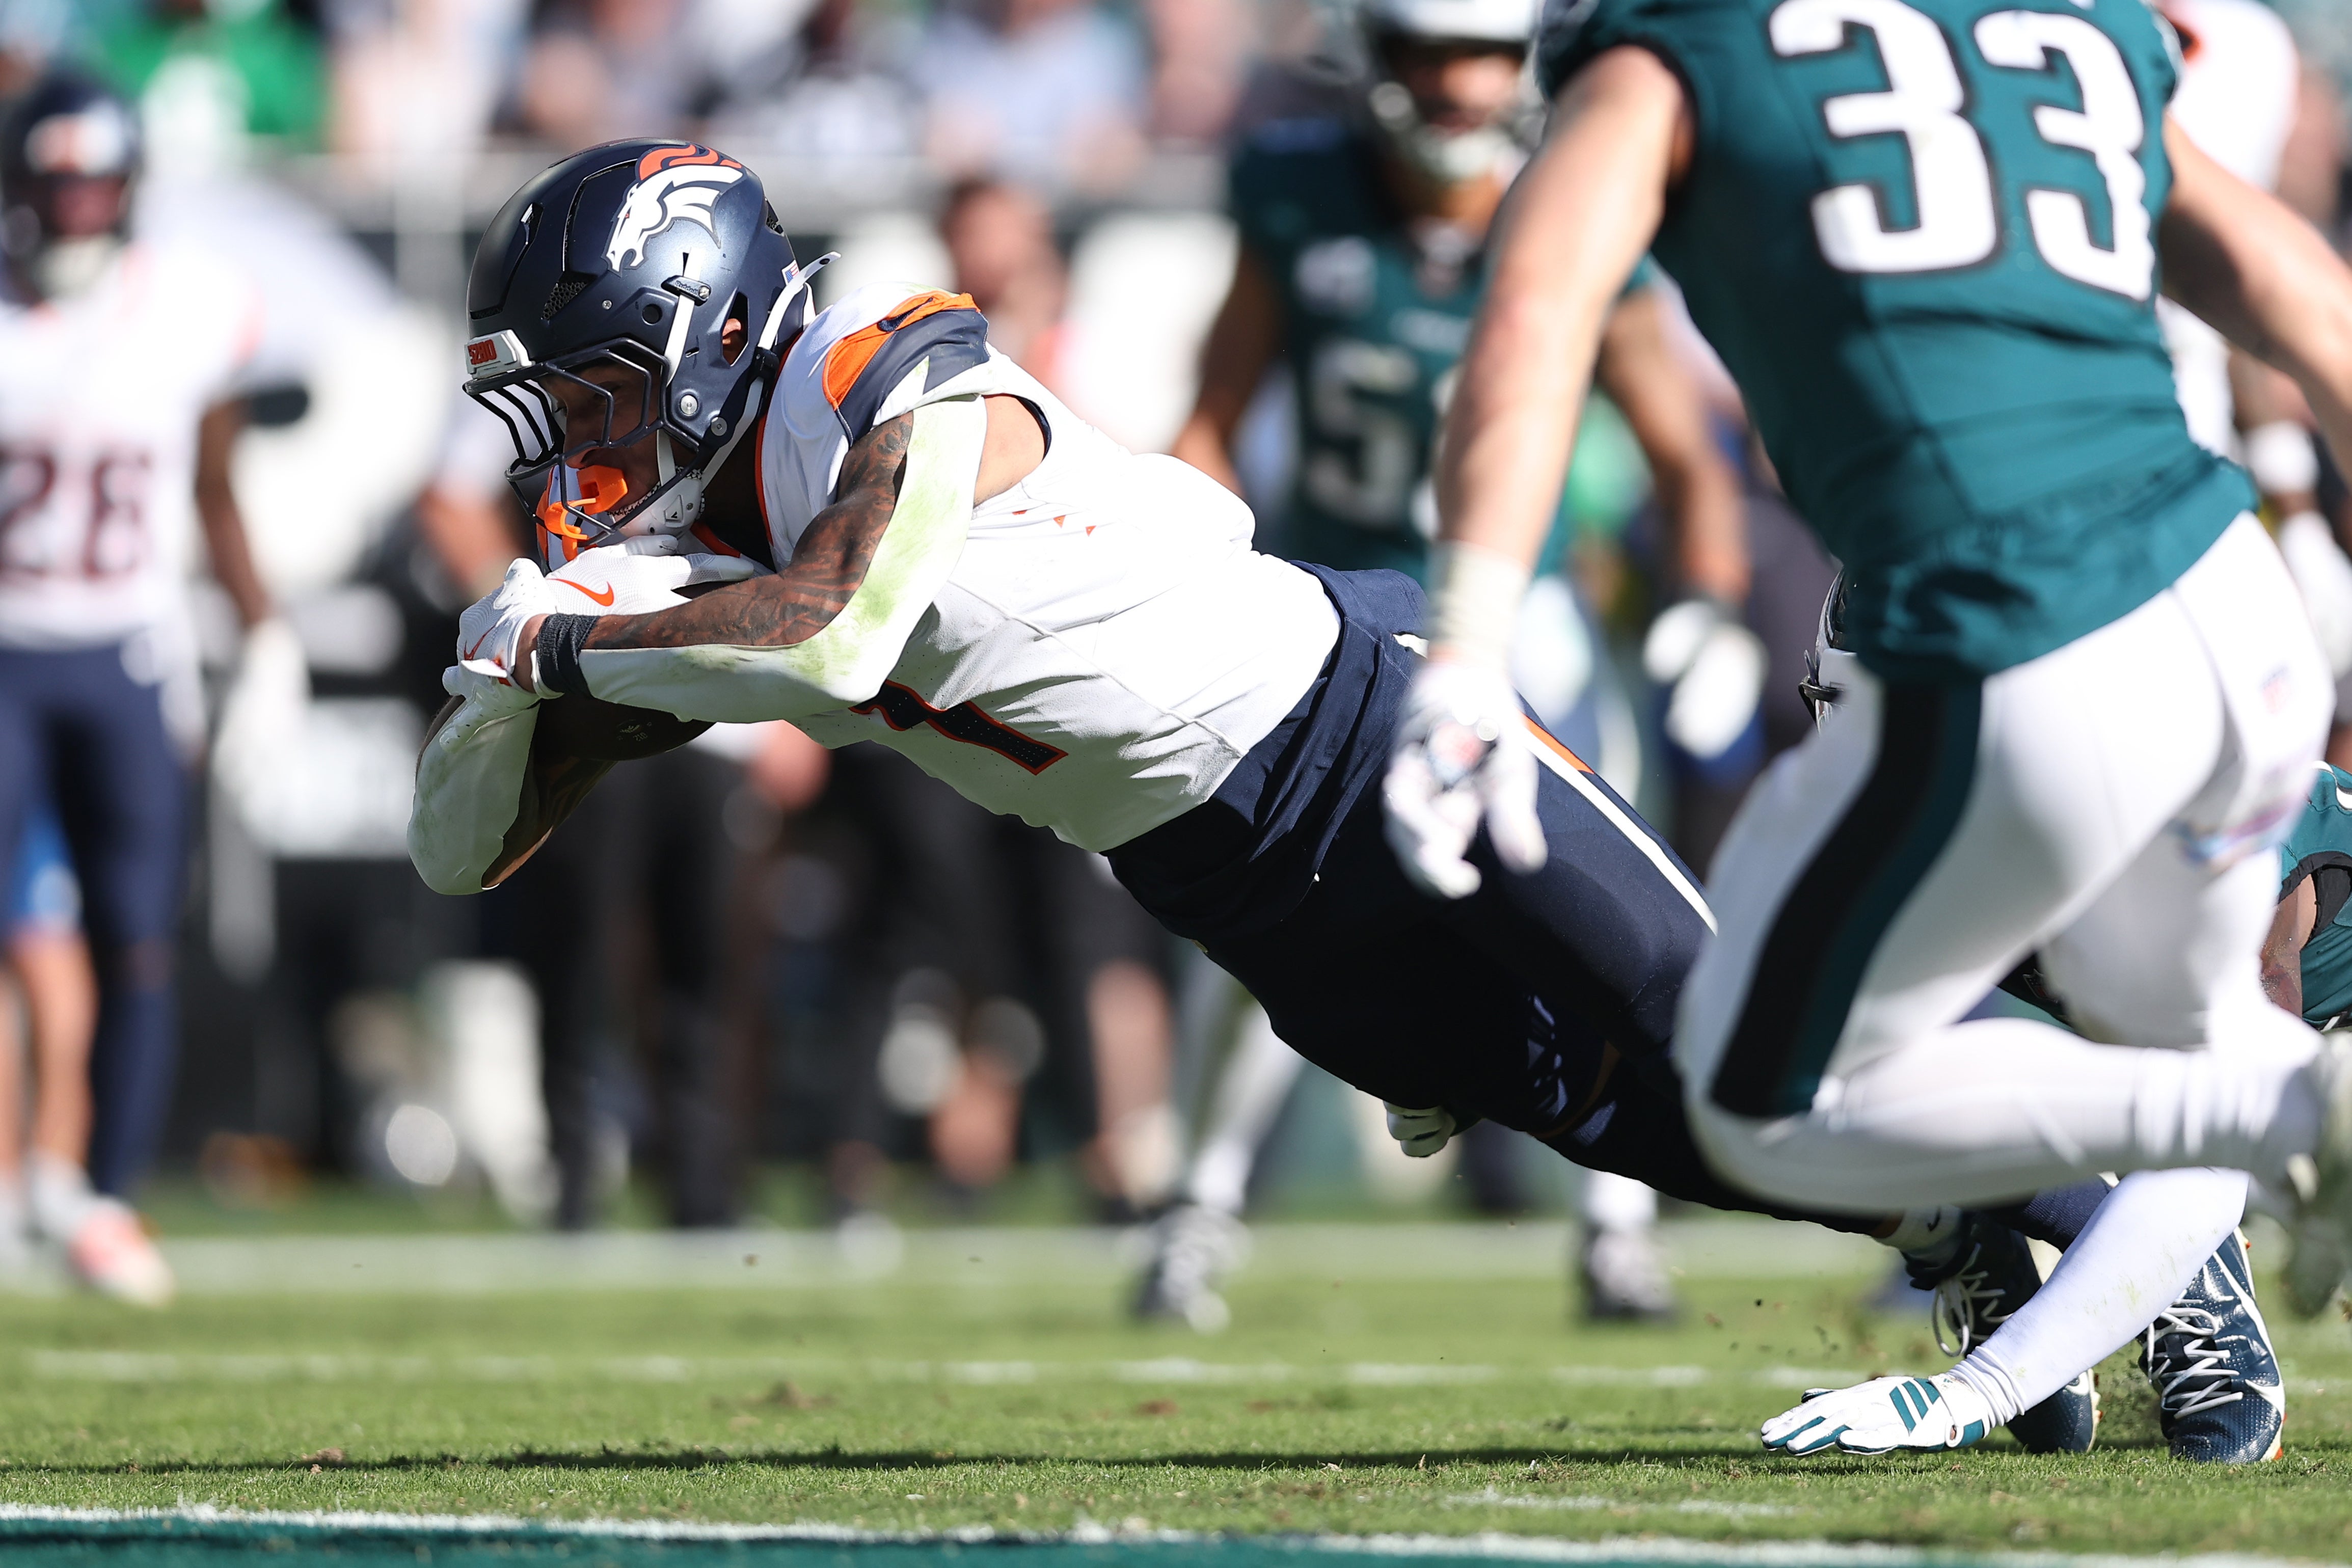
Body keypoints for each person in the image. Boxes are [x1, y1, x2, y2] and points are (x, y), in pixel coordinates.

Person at [413, 139, 2279, 1459]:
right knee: (1628, 1110)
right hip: (1218, 869)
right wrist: (505, 677)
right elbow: (461, 847)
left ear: (707, 319)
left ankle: (2161, 1243)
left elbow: (839, 631)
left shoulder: (885, 365)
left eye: (591, 402)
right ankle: (1946, 1230)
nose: (578, 459)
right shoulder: (672, 583)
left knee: (1735, 1026)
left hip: (1363, 713)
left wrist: (562, 648)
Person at [1389, 0, 2352, 1456]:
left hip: (2014, 615)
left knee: (1758, 1093)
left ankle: (2263, 1127)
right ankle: (2257, 1136)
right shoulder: (2061, 31)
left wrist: (1464, 647)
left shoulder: (1681, 46)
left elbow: (1532, 318)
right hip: (2231, 601)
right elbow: (2290, 283)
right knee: (2187, 1051)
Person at [1150, 0, 1749, 1327]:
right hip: (1321, 610)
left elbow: (1688, 459)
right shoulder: (1301, 195)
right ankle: (1193, 1205)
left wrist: (1705, 604)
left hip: (1513, 617)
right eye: (1431, 50)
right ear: (1378, 58)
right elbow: (1210, 415)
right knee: (1247, 922)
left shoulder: (1574, 206)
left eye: (1482, 51)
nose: (1459, 83)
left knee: (1597, 918)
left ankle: (1617, 1226)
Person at [0, 71, 284, 1273]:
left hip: (124, 651)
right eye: (53, 185)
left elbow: (214, 488)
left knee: (135, 937)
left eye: (92, 186)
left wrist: (263, 633)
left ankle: (99, 1194)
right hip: (6, 651)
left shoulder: (190, 306)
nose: (73, 210)